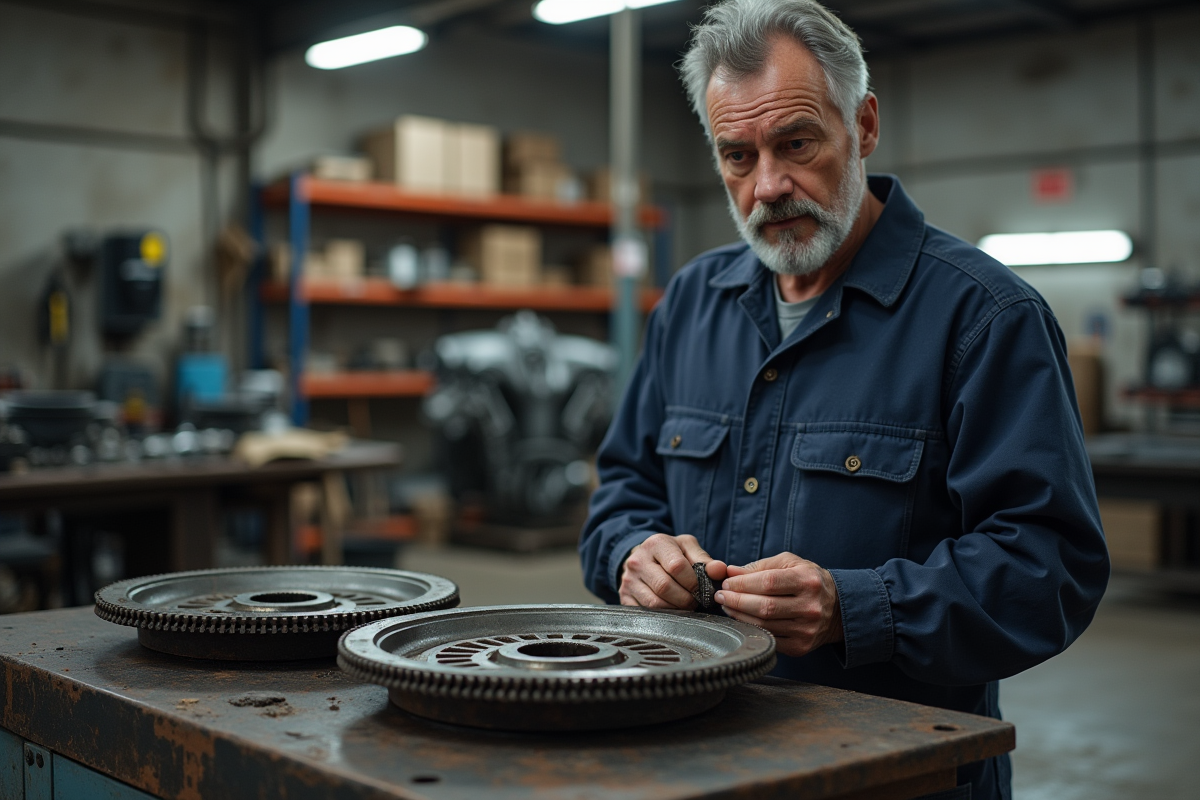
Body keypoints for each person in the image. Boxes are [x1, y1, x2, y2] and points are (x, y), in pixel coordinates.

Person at [579, 1, 1110, 798]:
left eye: (795, 144)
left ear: (862, 126)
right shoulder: (691, 304)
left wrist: (853, 607)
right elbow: (621, 496)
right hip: (692, 761)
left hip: (895, 779)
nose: (768, 185)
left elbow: (1050, 569)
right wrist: (632, 556)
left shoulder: (985, 319)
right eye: (736, 154)